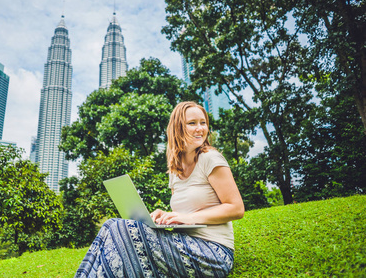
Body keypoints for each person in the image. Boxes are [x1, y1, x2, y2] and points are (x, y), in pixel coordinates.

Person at [75, 101, 244, 278]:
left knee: (121, 229)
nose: (200, 128)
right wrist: (165, 216)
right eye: (192, 123)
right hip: (184, 244)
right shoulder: (175, 169)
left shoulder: (210, 158)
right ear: (178, 128)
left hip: (213, 252)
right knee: (110, 225)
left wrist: (187, 218)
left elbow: (236, 208)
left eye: (203, 123)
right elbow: (183, 211)